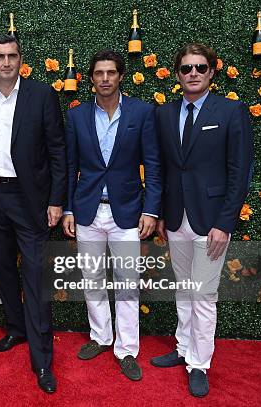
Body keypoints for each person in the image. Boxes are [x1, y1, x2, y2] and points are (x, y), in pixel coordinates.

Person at [151, 43, 253, 397]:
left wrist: (225, 222)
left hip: (211, 221)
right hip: (176, 219)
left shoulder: (231, 111)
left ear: (211, 72)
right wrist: (164, 214)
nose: (192, 73)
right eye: (185, 68)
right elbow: (163, 168)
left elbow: (240, 172)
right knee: (184, 289)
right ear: (177, 74)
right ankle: (182, 348)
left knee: (204, 294)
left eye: (200, 67)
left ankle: (199, 362)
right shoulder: (164, 114)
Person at [0, 35, 66, 393]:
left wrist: (56, 200)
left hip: (31, 201)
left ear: (20, 60)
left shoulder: (41, 95)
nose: (6, 62)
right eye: (0, 57)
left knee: (36, 275)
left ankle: (42, 359)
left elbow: (58, 150)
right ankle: (15, 328)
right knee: (1, 268)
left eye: (12, 56)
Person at [62, 50, 161, 381]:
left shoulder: (142, 112)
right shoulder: (76, 117)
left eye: (111, 73)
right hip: (88, 211)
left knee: (128, 284)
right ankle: (101, 336)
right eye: (99, 73)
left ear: (120, 76)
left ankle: (127, 349)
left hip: (128, 213)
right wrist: (68, 208)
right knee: (92, 280)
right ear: (91, 79)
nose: (105, 78)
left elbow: (154, 164)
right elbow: (70, 167)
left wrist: (151, 208)